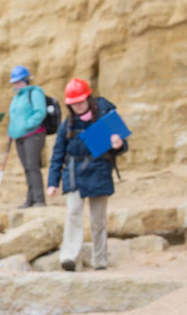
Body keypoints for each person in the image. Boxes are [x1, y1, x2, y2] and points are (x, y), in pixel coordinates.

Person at [46, 78, 128, 271]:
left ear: (89, 98)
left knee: (98, 219)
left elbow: (121, 145)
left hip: (99, 171)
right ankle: (70, 258)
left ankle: (99, 259)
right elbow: (57, 155)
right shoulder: (66, 126)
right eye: (74, 103)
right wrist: (53, 182)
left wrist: (118, 144)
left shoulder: (105, 117)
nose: (78, 105)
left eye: (81, 101)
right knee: (73, 214)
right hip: (74, 173)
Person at [6, 65, 47, 208]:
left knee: (32, 166)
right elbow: (14, 117)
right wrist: (11, 131)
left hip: (33, 134)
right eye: (14, 82)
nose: (16, 85)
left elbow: (40, 112)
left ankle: (39, 199)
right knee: (27, 167)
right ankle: (30, 199)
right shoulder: (17, 97)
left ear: (25, 80)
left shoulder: (35, 92)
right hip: (19, 137)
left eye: (19, 82)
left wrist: (27, 125)